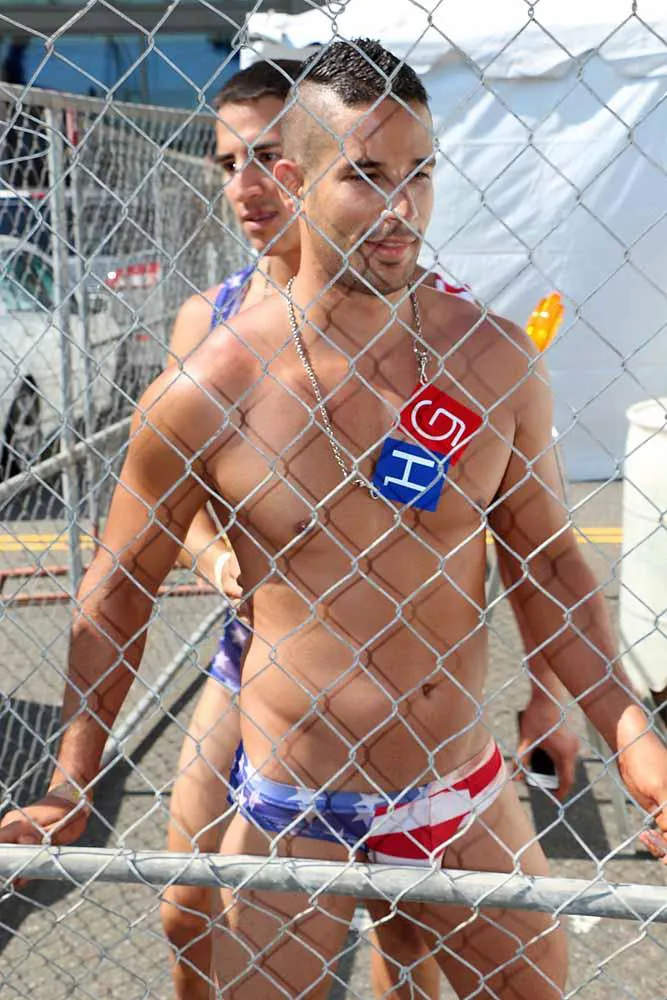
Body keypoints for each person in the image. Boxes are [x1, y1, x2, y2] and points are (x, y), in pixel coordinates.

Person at [5, 37, 658, 1000]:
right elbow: (118, 589)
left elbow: (549, 566)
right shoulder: (209, 388)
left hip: (458, 792)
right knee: (197, 932)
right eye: (364, 175)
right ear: (294, 179)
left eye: (419, 172)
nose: (401, 209)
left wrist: (633, 741)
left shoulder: (492, 362)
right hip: (291, 810)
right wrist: (71, 781)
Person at [161, 59, 579, 1000]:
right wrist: (216, 554)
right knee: (187, 906)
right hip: (257, 660)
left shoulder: (445, 335)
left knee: (408, 932)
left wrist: (552, 692)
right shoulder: (214, 328)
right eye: (227, 162)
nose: (247, 185)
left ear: (302, 162)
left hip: (414, 695)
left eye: (265, 155)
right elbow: (169, 503)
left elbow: (528, 542)